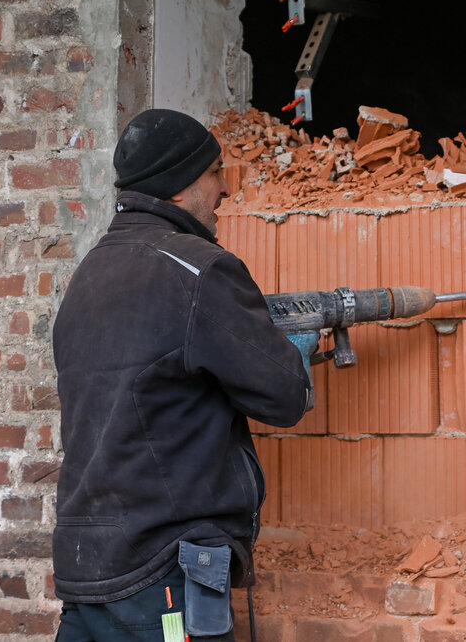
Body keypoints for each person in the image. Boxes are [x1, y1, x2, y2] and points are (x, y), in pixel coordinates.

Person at [51, 109, 315, 641]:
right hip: (161, 572)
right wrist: (296, 351)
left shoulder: (88, 274)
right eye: (215, 172)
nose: (225, 189)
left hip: (85, 567)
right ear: (179, 186)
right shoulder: (199, 268)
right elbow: (285, 397)